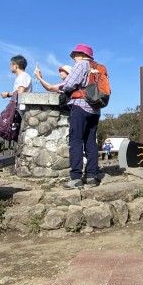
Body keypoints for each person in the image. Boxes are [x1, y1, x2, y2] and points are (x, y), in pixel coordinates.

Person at [61, 44, 101, 189]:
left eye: (74, 55)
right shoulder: (98, 67)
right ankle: (92, 176)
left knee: (76, 140)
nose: (73, 59)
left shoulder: (81, 64)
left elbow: (68, 84)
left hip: (80, 106)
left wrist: (62, 88)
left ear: (80, 54)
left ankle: (76, 177)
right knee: (91, 142)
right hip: (95, 110)